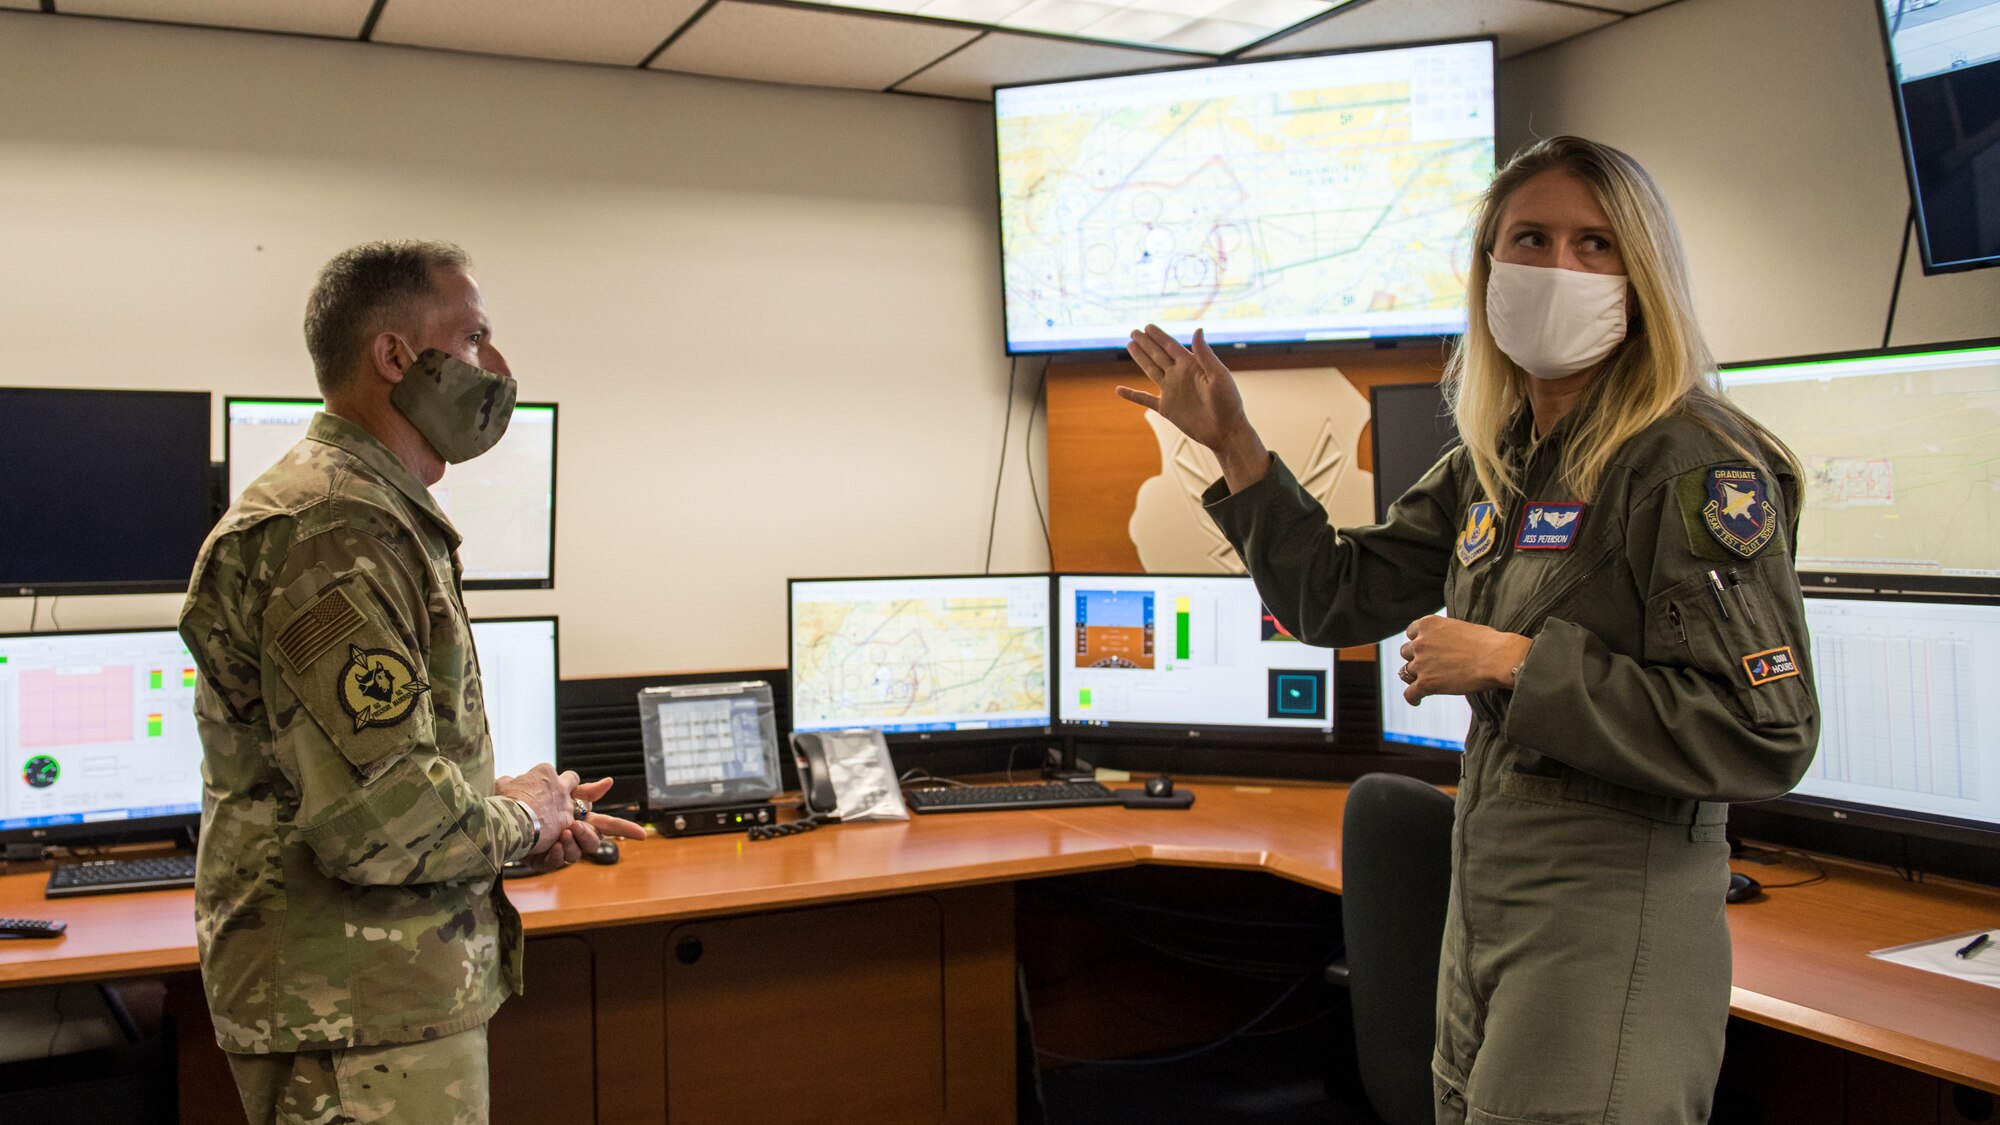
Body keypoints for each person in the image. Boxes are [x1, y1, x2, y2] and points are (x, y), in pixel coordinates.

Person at [1118, 137, 1819, 1124]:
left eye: (1593, 245)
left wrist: (1512, 663)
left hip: (1612, 901)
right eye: (1527, 239)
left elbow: (1764, 731)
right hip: (1489, 891)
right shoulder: (1499, 461)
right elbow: (1334, 598)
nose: (1555, 269)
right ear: (1488, 268)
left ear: (1641, 276)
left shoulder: (1689, 467)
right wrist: (1232, 442)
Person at [179, 240, 644, 1125]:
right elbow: (378, 824)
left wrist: (504, 802)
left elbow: (372, 774)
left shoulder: (371, 512)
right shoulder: (329, 528)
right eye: (474, 338)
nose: (497, 367)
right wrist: (526, 819)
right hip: (350, 1016)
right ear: (394, 355)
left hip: (376, 1000)